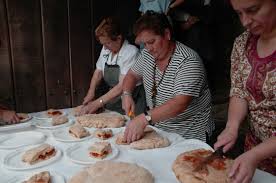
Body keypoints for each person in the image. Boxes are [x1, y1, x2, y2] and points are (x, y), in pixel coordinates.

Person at [122, 11, 214, 143]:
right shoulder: (147, 55)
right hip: (159, 131)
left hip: (190, 137)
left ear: (167, 34)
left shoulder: (188, 61)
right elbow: (131, 75)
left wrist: (144, 118)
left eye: (152, 42)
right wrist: (126, 94)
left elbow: (179, 103)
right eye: (145, 44)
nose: (148, 48)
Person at [214, 0, 276, 182]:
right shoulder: (242, 43)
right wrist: (232, 126)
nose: (245, 22)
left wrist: (257, 154)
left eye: (253, 10)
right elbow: (239, 91)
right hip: (252, 153)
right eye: (239, 13)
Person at [80, 17, 146, 115]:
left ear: (119, 38)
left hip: (132, 101)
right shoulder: (106, 49)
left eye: (108, 43)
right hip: (113, 100)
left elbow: (121, 86)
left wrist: (96, 103)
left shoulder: (130, 52)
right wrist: (91, 91)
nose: (105, 47)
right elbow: (98, 72)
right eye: (103, 44)